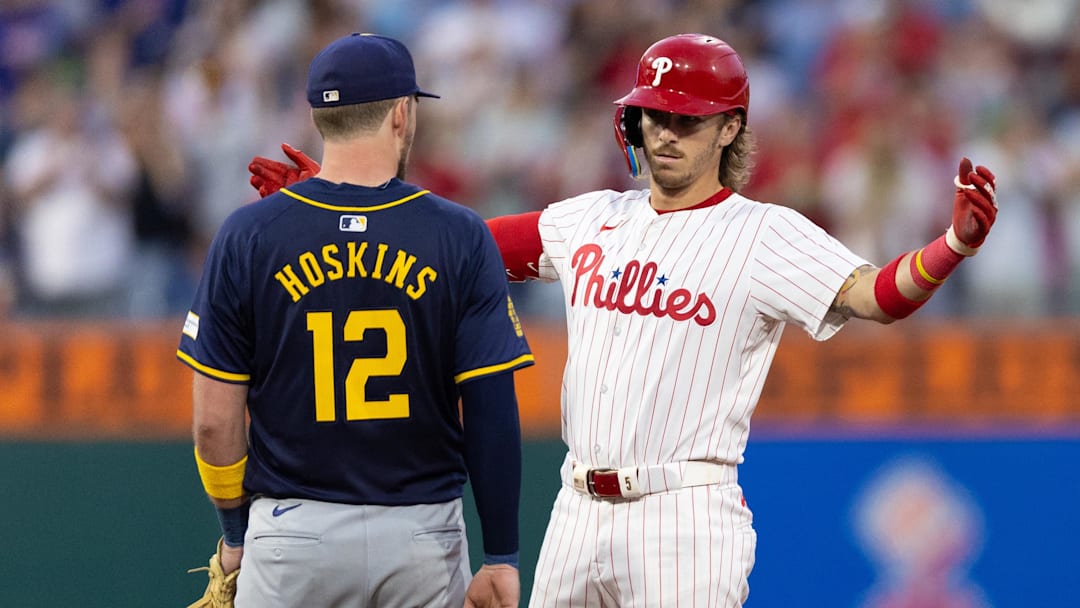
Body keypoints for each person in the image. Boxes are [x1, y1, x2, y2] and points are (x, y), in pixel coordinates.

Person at [248, 33, 998, 607]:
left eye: (685, 119)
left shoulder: (764, 231)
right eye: (650, 116)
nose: (663, 132)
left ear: (730, 130)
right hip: (579, 507)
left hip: (686, 510)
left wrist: (953, 245)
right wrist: (340, 195)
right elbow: (456, 246)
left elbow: (877, 296)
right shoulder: (589, 219)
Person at [180, 32, 534, 608]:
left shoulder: (250, 234)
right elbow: (492, 409)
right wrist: (502, 556)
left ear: (320, 117)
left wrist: (235, 534)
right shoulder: (459, 233)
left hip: (292, 532)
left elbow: (213, 425)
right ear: (402, 113)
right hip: (422, 538)